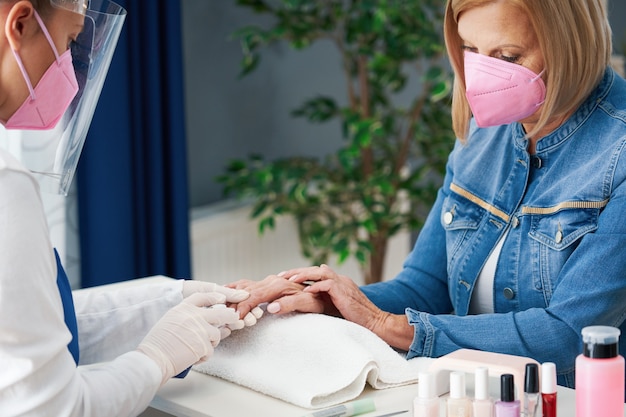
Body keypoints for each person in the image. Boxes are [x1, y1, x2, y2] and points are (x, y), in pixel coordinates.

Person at [230, 0, 626, 391]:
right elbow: (423, 288)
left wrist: (385, 325)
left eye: (507, 55)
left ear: (571, 41)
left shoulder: (618, 153)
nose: (485, 78)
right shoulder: (482, 137)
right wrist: (329, 301)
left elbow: (567, 335)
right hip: (479, 397)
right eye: (471, 51)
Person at [0, 1, 261, 416]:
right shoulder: (6, 185)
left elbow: (21, 331)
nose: (69, 69)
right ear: (20, 23)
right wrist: (155, 359)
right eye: (69, 42)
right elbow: (53, 409)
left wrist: (163, 303)